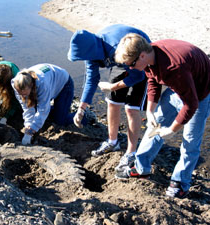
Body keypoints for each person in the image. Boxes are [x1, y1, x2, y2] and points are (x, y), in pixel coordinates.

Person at [114, 33, 210, 198]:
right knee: (155, 124)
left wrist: (171, 130)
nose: (130, 68)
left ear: (142, 55)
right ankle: (141, 167)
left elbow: (191, 104)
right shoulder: (150, 55)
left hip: (200, 93)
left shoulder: (173, 67)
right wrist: (150, 111)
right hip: (179, 87)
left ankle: (180, 183)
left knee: (190, 140)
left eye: (131, 64)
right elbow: (153, 81)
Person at [67, 24, 151, 171]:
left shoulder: (113, 47)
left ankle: (131, 152)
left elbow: (138, 75)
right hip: (119, 60)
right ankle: (113, 142)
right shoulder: (91, 52)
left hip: (136, 58)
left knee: (131, 109)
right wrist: (81, 108)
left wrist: (113, 86)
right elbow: (91, 79)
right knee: (112, 102)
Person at [11, 63, 85, 145]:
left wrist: (32, 129)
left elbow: (43, 109)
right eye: (20, 94)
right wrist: (28, 125)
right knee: (39, 112)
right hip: (51, 82)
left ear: (31, 86)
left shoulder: (42, 84)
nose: (22, 96)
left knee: (60, 120)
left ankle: (84, 115)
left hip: (64, 85)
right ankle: (60, 108)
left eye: (25, 94)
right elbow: (27, 107)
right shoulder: (16, 84)